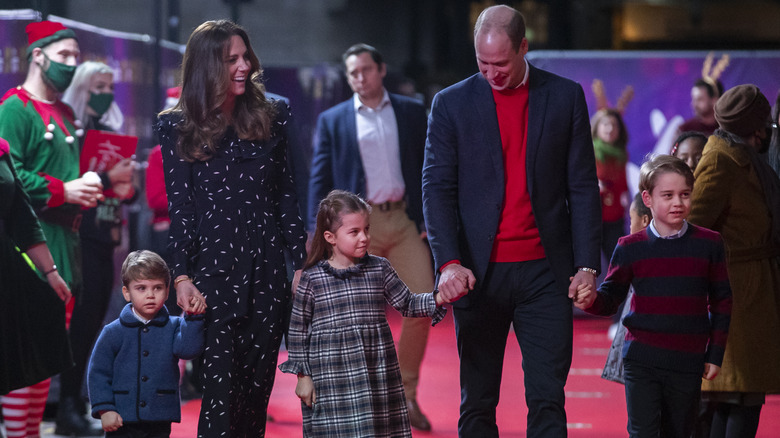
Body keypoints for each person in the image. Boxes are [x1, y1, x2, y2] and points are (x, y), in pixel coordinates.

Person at [421, 5, 601, 436]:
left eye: (500, 63)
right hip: (477, 274)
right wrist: (447, 262)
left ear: (524, 47)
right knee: (478, 402)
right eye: (482, 63)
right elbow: (436, 189)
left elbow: (582, 187)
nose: (491, 73)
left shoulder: (564, 96)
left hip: (546, 273)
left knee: (547, 400)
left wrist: (587, 265)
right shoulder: (451, 104)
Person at [154, 20, 307, 437]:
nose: (244, 66)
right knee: (219, 398)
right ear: (207, 67)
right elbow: (181, 209)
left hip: (268, 271)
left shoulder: (273, 115)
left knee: (254, 397)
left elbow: (287, 197)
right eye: (231, 60)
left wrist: (301, 262)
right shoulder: (176, 125)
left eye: (246, 57)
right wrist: (181, 275)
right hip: (212, 277)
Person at [307, 43, 434, 430]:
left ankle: (406, 392)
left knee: (423, 303)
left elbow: (432, 164)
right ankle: (357, 401)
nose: (359, 78)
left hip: (403, 220)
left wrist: (432, 216)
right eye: (352, 73)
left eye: (365, 70)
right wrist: (318, 234)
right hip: (354, 228)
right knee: (350, 315)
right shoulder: (334, 119)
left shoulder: (411, 112)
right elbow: (319, 177)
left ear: (381, 70)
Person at [279, 190, 461, 437]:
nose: (364, 238)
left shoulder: (379, 269)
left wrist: (439, 297)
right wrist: (303, 377)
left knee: (375, 429)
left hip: (375, 375)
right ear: (330, 237)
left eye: (366, 229)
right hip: (331, 379)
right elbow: (298, 331)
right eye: (354, 232)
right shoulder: (312, 279)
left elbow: (407, 303)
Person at [575, 154, 732, 437]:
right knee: (643, 431)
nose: (678, 203)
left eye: (685, 194)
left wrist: (715, 354)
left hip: (688, 359)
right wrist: (591, 301)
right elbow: (611, 297)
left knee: (681, 431)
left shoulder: (709, 243)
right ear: (647, 199)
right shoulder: (629, 247)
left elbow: (722, 300)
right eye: (668, 195)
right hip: (641, 359)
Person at [0, 20, 105, 437]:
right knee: (28, 352)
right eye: (64, 56)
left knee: (47, 355)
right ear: (37, 55)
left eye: (76, 57)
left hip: (66, 242)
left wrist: (93, 187)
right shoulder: (13, 108)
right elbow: (9, 179)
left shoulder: (64, 113)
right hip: (29, 243)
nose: (71, 64)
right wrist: (66, 189)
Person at [689, 84, 780, 438]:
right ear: (754, 129)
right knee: (734, 397)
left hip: (754, 290)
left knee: (745, 395)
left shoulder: (745, 157)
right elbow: (691, 227)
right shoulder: (720, 161)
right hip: (736, 293)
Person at [60, 60, 138, 434]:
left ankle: (81, 400)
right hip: (78, 239)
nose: (106, 93)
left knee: (93, 325)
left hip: (106, 237)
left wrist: (126, 186)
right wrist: (109, 177)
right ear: (82, 88)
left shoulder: (109, 130)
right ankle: (67, 406)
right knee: (76, 328)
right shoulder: (69, 132)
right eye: (97, 86)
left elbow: (124, 190)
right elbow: (68, 185)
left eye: (110, 85)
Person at [87, 250, 205, 437]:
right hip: (121, 417)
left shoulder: (175, 326)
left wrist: (194, 319)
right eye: (141, 288)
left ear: (167, 292)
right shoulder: (113, 331)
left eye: (157, 288)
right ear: (127, 292)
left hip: (160, 416)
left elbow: (189, 350)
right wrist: (105, 409)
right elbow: (98, 373)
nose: (150, 295)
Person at [0, 136, 73, 438]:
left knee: (38, 332)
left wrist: (51, 272)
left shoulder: (2, 147)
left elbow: (22, 214)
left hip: (5, 267)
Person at [600, 192, 651, 385]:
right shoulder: (630, 250)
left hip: (643, 355)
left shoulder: (631, 251)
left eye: (631, 220)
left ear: (645, 220)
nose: (629, 227)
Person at [591, 108, 629, 272]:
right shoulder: (588, 151)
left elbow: (622, 183)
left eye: (614, 125)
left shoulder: (621, 154)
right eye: (606, 124)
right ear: (597, 127)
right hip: (593, 218)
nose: (610, 129)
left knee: (618, 264)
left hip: (615, 218)